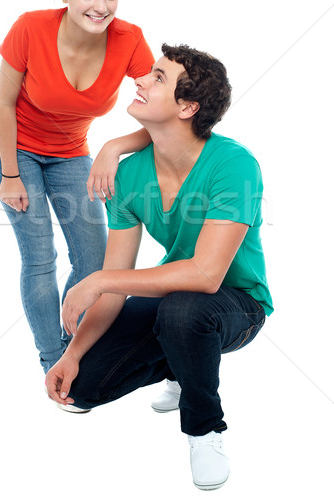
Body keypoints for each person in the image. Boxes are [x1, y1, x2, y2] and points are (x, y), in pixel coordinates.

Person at [46, 44, 273, 490]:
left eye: (157, 78)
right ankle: (180, 364)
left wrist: (97, 280)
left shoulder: (234, 165)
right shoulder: (129, 175)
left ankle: (205, 429)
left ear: (187, 107)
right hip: (176, 296)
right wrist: (70, 354)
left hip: (239, 304)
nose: (140, 81)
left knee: (184, 310)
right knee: (82, 388)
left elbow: (207, 275)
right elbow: (113, 286)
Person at [0, 0, 154, 379]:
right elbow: (3, 103)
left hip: (71, 151)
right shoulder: (30, 28)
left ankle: (74, 347)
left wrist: (113, 147)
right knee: (40, 257)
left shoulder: (129, 39)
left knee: (94, 259)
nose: (101, 7)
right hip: (9, 147)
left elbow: (160, 108)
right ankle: (51, 359)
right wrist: (11, 175)